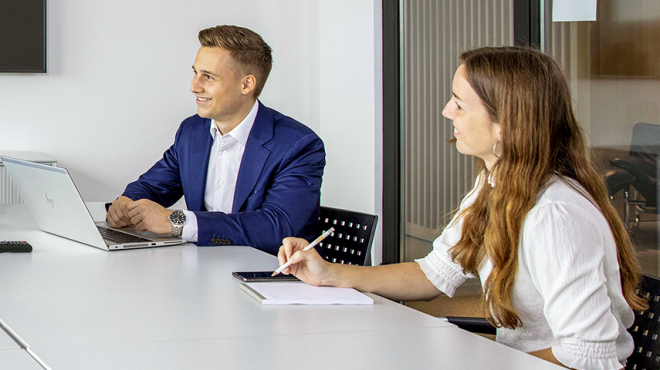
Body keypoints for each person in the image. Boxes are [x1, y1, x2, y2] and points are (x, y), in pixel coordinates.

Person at [276, 46, 647, 369]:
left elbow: (588, 356)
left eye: (459, 103)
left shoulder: (554, 215)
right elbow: (434, 273)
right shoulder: (494, 185)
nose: (445, 111)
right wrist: (330, 274)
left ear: (506, 124)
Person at [106, 25, 325, 255]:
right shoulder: (192, 131)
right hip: (204, 267)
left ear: (246, 85)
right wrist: (127, 203)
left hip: (266, 278)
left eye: (208, 77)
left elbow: (276, 229)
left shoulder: (298, 145)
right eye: (195, 73)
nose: (194, 87)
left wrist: (177, 221)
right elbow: (154, 186)